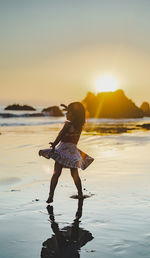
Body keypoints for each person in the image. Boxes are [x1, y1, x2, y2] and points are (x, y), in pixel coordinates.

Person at [39, 102, 94, 203]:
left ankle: (51, 196)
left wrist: (54, 144)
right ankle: (80, 193)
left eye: (68, 112)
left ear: (73, 114)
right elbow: (74, 117)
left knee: (56, 174)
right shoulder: (79, 125)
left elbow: (61, 134)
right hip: (73, 152)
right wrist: (67, 108)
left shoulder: (68, 124)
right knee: (75, 175)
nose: (66, 114)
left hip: (63, 150)